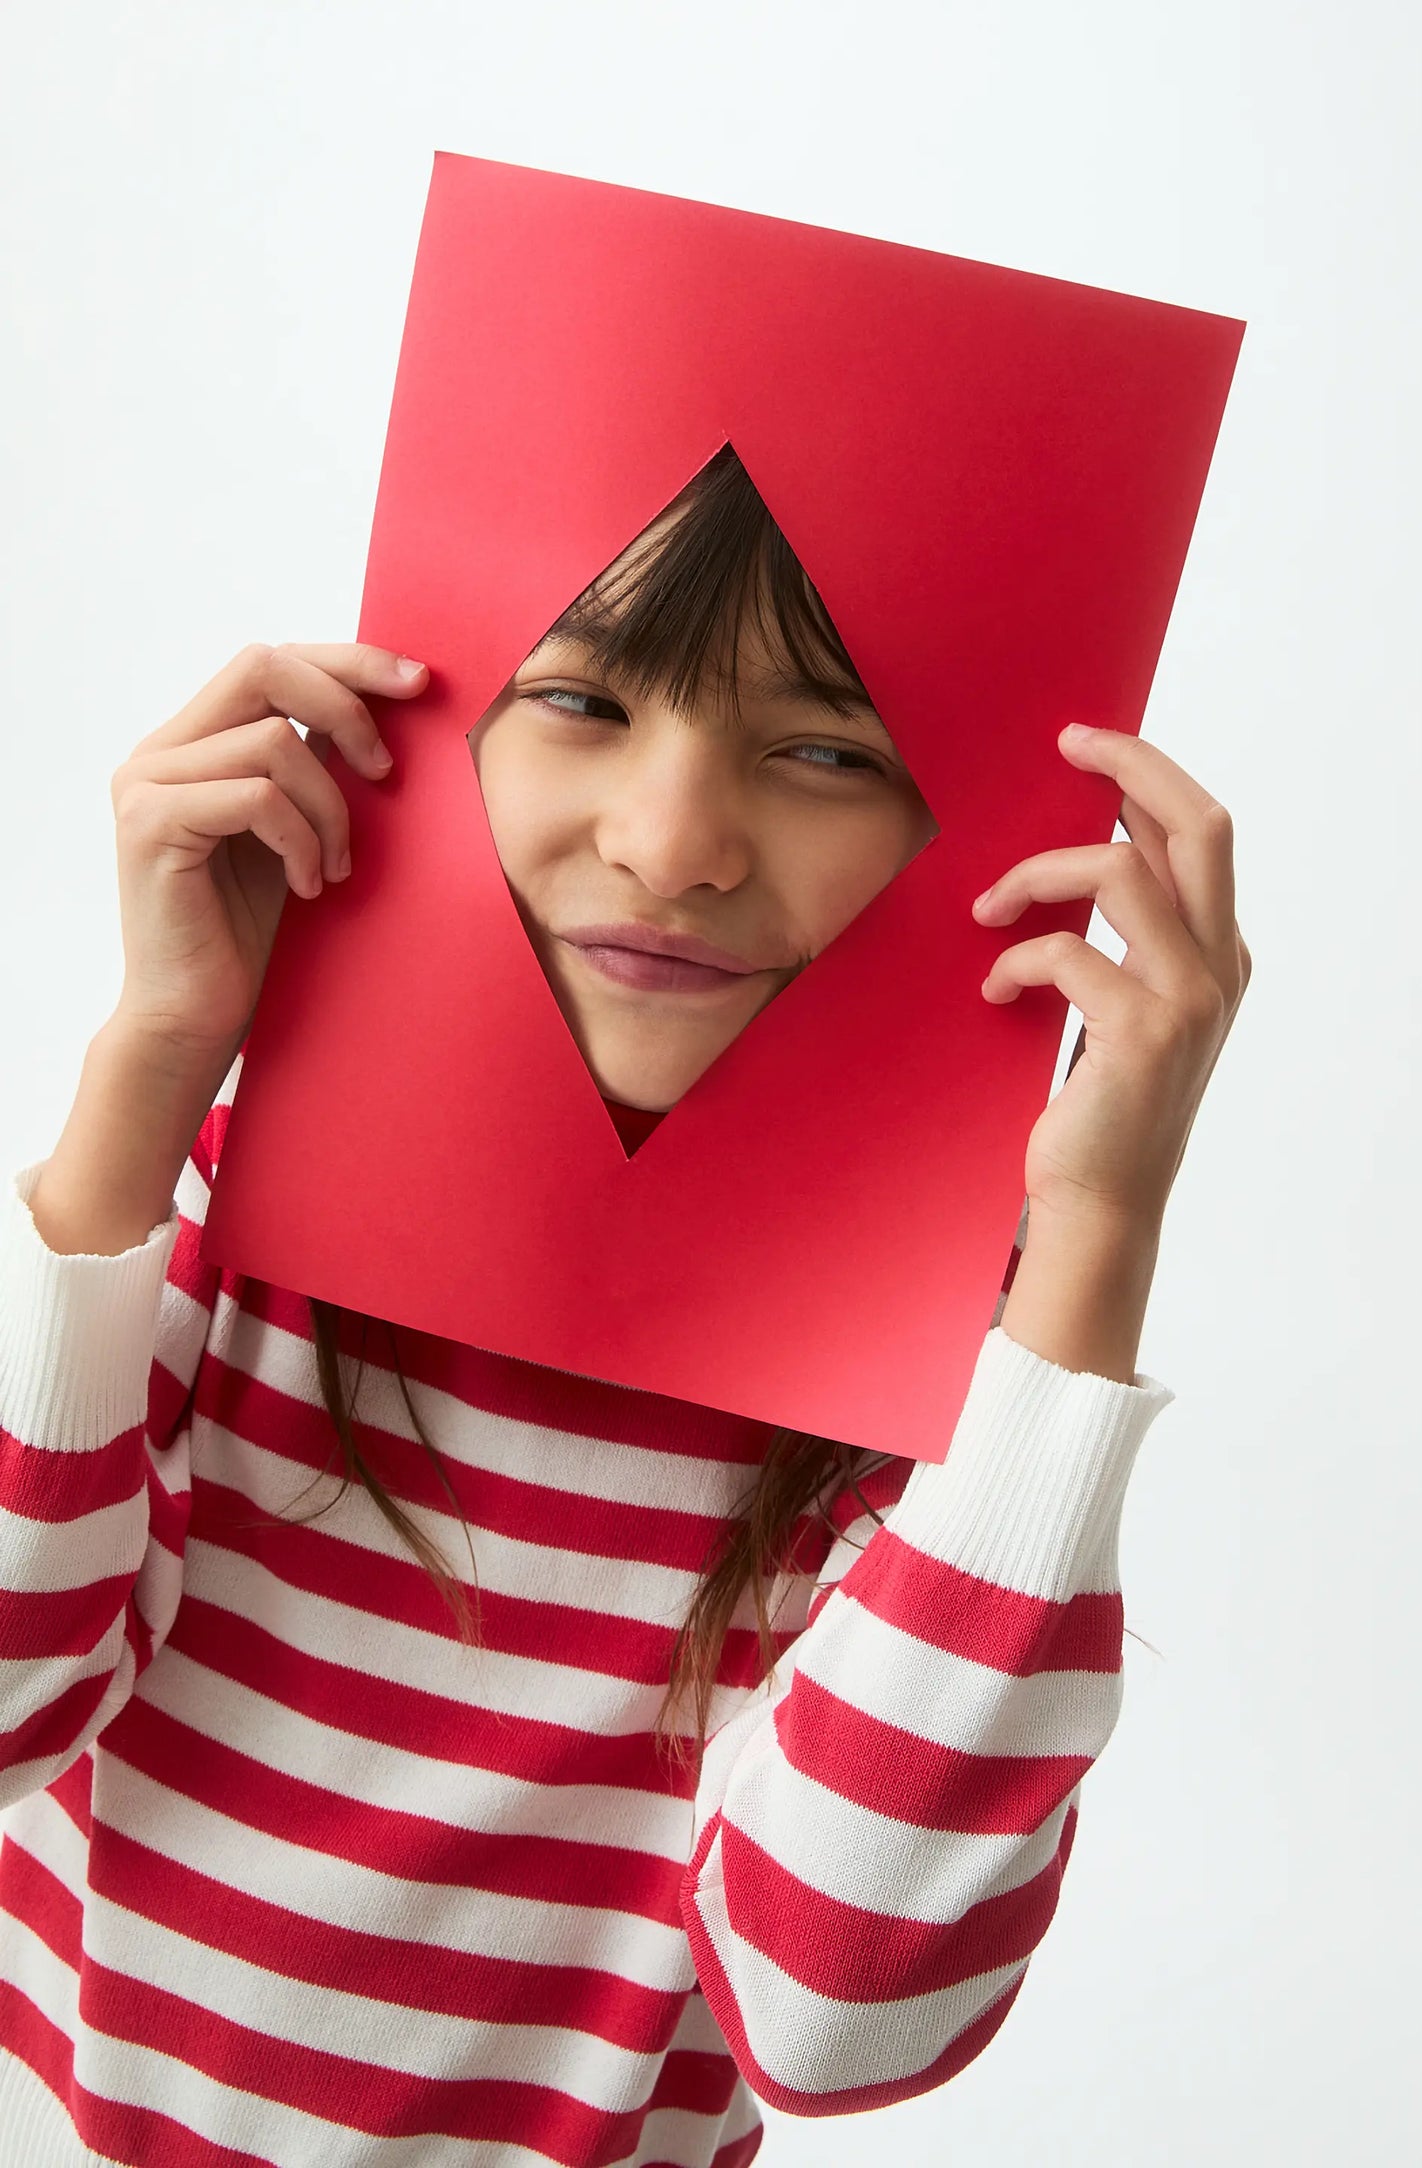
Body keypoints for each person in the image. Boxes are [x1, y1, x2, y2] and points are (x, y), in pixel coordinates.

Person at [0, 444, 1250, 2164]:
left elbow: (841, 2018)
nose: (671, 850)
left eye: (824, 748)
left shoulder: (959, 1396)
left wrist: (1097, 1234)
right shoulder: (228, 1197)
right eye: (582, 696)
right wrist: (147, 1070)